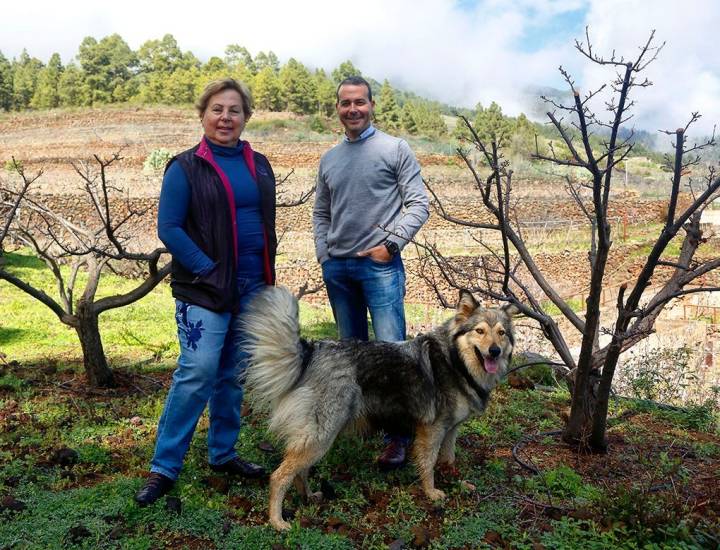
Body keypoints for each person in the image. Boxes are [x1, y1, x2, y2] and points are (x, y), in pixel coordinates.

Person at [135, 78, 277, 505]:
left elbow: (263, 222)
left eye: (234, 110)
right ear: (203, 114)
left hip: (253, 285)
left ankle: (223, 452)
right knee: (197, 372)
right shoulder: (184, 167)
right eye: (217, 109)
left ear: (246, 117)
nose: (225, 117)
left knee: (233, 373)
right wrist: (207, 268)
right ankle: (164, 467)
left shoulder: (261, 164)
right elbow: (169, 228)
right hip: (205, 288)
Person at [312, 76, 429, 469]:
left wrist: (391, 245)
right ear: (338, 108)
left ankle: (399, 437)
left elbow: (418, 204)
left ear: (372, 104)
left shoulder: (395, 148)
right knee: (352, 357)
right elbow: (321, 213)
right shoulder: (329, 159)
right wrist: (324, 255)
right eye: (345, 103)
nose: (353, 109)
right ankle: (361, 424)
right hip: (339, 270)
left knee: (394, 354)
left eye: (359, 102)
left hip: (379, 267)